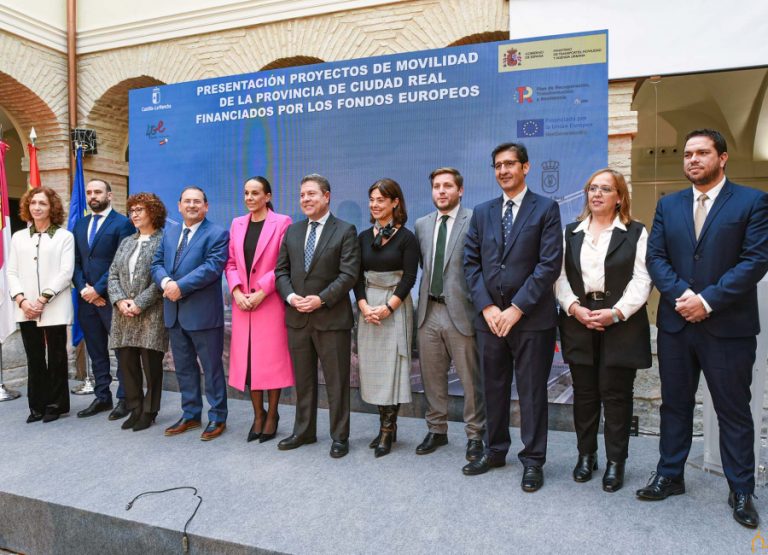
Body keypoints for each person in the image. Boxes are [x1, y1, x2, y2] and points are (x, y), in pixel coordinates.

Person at [638, 129, 768, 528]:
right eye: (688, 154)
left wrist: (707, 300)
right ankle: (670, 474)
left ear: (722, 158)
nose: (692, 159)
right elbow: (656, 257)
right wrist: (684, 297)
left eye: (702, 153)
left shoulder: (752, 201)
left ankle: (741, 489)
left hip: (727, 326)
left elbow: (755, 261)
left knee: (732, 409)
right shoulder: (669, 205)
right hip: (678, 324)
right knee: (674, 404)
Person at [463, 142, 562, 492]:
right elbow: (470, 264)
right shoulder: (482, 211)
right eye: (498, 165)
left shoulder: (546, 209)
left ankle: (533, 460)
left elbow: (548, 265)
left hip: (531, 319)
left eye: (510, 164)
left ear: (526, 167)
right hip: (489, 320)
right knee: (493, 388)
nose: (503, 170)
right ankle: (495, 450)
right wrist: (489, 308)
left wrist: (516, 309)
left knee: (533, 392)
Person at [555, 168, 652, 493]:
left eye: (605, 189)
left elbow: (643, 279)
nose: (596, 194)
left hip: (620, 323)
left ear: (619, 197)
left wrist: (616, 313)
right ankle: (586, 456)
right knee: (584, 396)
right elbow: (559, 278)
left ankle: (615, 462)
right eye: (592, 188)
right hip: (578, 321)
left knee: (616, 396)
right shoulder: (571, 232)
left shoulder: (636, 232)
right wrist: (573, 307)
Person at [275, 173, 360, 458]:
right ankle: (304, 431)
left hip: (331, 319)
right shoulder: (293, 231)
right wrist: (290, 297)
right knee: (304, 380)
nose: (305, 200)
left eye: (311, 194)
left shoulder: (345, 230)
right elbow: (281, 271)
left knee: (337, 382)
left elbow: (349, 274)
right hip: (297, 317)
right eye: (302, 195)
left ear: (326, 196)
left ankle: (339, 436)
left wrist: (321, 299)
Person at [414, 167, 485, 463]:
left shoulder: (475, 220)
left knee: (470, 380)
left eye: (447, 186)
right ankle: (437, 429)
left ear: (460, 190)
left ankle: (475, 435)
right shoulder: (421, 225)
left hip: (462, 312)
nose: (441, 191)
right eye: (436, 187)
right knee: (432, 377)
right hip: (429, 311)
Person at [151, 186, 230, 441]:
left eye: (197, 202)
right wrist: (165, 284)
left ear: (206, 206)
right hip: (174, 313)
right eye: (187, 201)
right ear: (179, 205)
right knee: (184, 368)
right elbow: (157, 264)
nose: (192, 205)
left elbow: (212, 268)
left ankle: (218, 417)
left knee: (212, 368)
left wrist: (180, 287)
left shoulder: (217, 234)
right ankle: (191, 414)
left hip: (204, 315)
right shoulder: (170, 233)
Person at [225, 176, 293, 443]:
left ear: (267, 196)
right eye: (246, 193)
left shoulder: (282, 222)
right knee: (249, 364)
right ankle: (257, 414)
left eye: (255, 193)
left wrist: (262, 291)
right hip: (243, 304)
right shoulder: (237, 224)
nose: (250, 198)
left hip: (269, 302)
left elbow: (283, 263)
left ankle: (273, 414)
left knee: (270, 363)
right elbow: (230, 263)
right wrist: (237, 291)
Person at [354, 178, 418, 458]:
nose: (375, 205)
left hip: (395, 305)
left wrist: (389, 307)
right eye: (372, 200)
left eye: (381, 199)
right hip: (368, 307)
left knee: (392, 366)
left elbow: (410, 278)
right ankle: (384, 425)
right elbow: (356, 276)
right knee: (374, 367)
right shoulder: (363, 237)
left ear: (395, 202)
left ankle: (387, 430)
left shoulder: (407, 238)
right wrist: (364, 306)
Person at [8, 187, 74, 423]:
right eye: (33, 203)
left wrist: (43, 298)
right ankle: (36, 405)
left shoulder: (64, 236)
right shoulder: (18, 237)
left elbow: (66, 272)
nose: (37, 207)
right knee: (34, 357)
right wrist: (22, 300)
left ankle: (56, 405)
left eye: (42, 203)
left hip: (53, 305)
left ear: (52, 208)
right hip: (25, 307)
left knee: (56, 356)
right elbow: (12, 272)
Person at [73, 179, 136, 420]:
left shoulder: (123, 224)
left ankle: (125, 398)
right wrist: (84, 290)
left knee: (121, 351)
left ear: (109, 195)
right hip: (86, 300)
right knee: (96, 350)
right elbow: (76, 262)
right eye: (89, 192)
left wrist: (99, 290)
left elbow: (120, 263)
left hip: (113, 299)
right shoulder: (80, 224)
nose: (92, 196)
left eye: (98, 192)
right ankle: (102, 396)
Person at [107, 192, 168, 432]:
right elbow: (112, 274)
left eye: (139, 210)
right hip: (123, 314)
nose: (134, 214)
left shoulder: (163, 241)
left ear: (153, 212)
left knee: (151, 366)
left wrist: (140, 302)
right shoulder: (127, 242)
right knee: (127, 364)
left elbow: (162, 278)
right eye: (131, 210)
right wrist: (120, 300)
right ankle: (135, 408)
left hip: (150, 313)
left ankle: (150, 411)